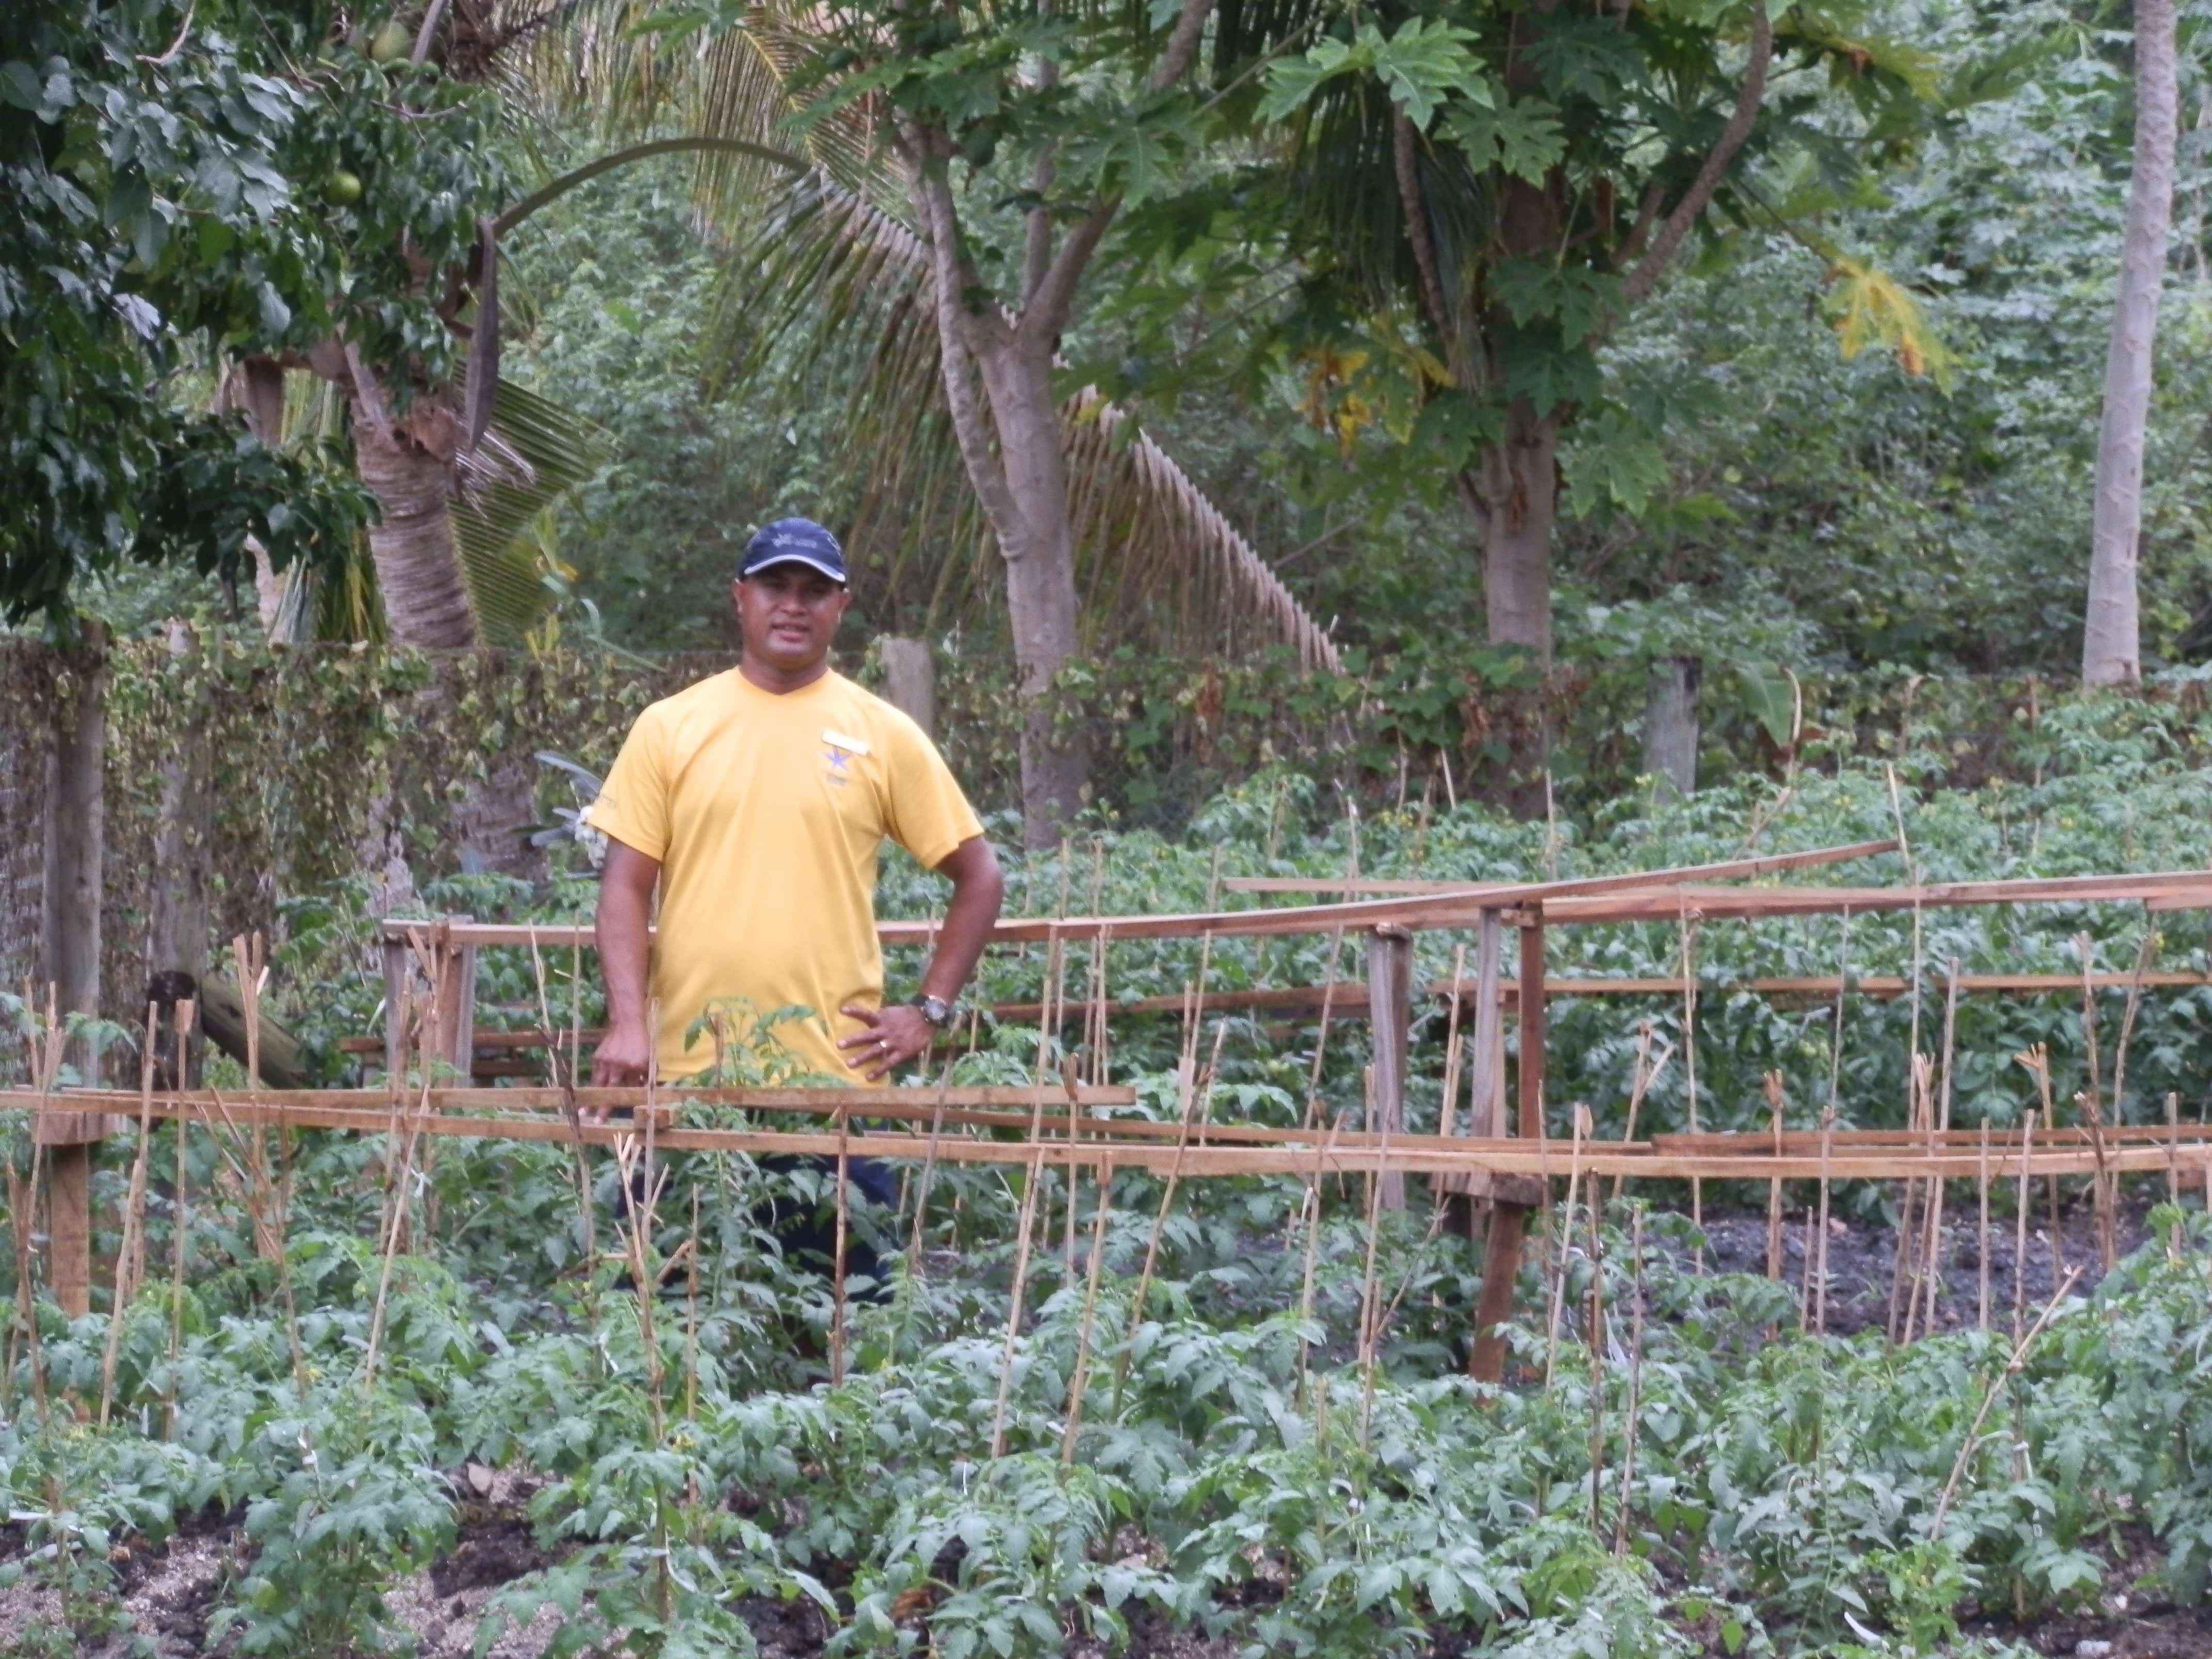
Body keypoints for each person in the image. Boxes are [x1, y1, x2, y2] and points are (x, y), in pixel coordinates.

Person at [582, 518, 1004, 1276]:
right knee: (665, 1319)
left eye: (814, 591)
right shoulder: (671, 728)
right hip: (687, 1081)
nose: (793, 605)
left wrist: (930, 1009)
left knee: (852, 1330)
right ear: (740, 598)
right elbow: (624, 884)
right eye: (775, 585)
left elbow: (980, 875)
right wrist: (625, 1023)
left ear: (841, 608)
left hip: (833, 1086)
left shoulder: (883, 734)